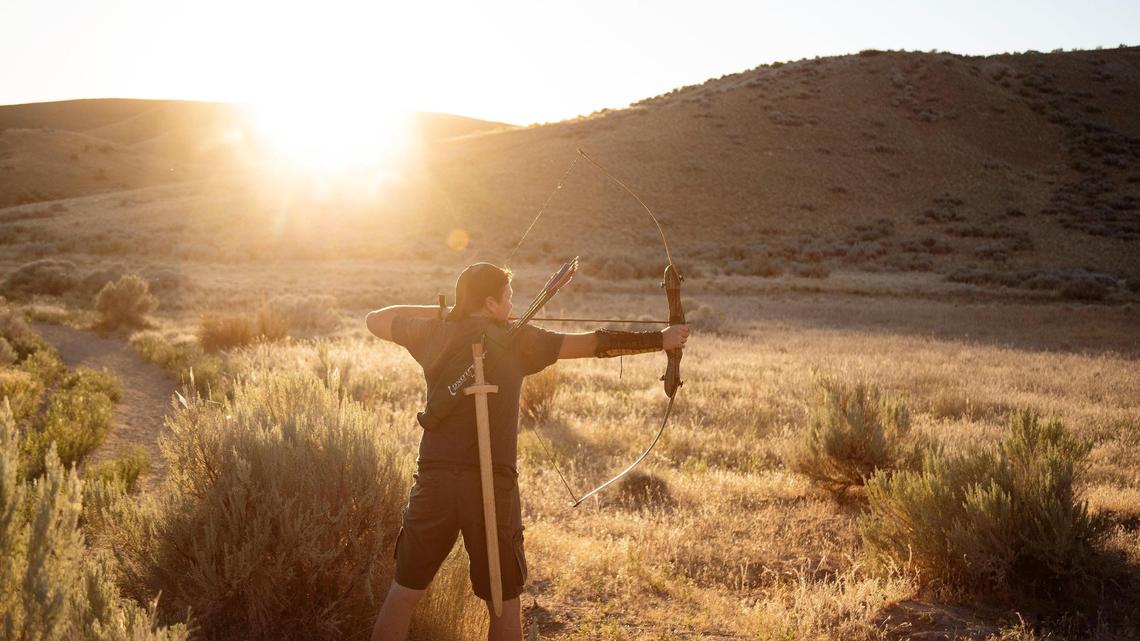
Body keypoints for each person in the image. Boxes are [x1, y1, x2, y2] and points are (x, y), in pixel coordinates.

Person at [365, 262, 690, 641]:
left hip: (433, 483)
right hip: (491, 486)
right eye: (506, 298)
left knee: (403, 594)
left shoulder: (434, 333)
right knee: (503, 602)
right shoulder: (517, 340)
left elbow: (376, 319)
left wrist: (444, 313)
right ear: (489, 303)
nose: (511, 304)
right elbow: (592, 343)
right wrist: (660, 339)